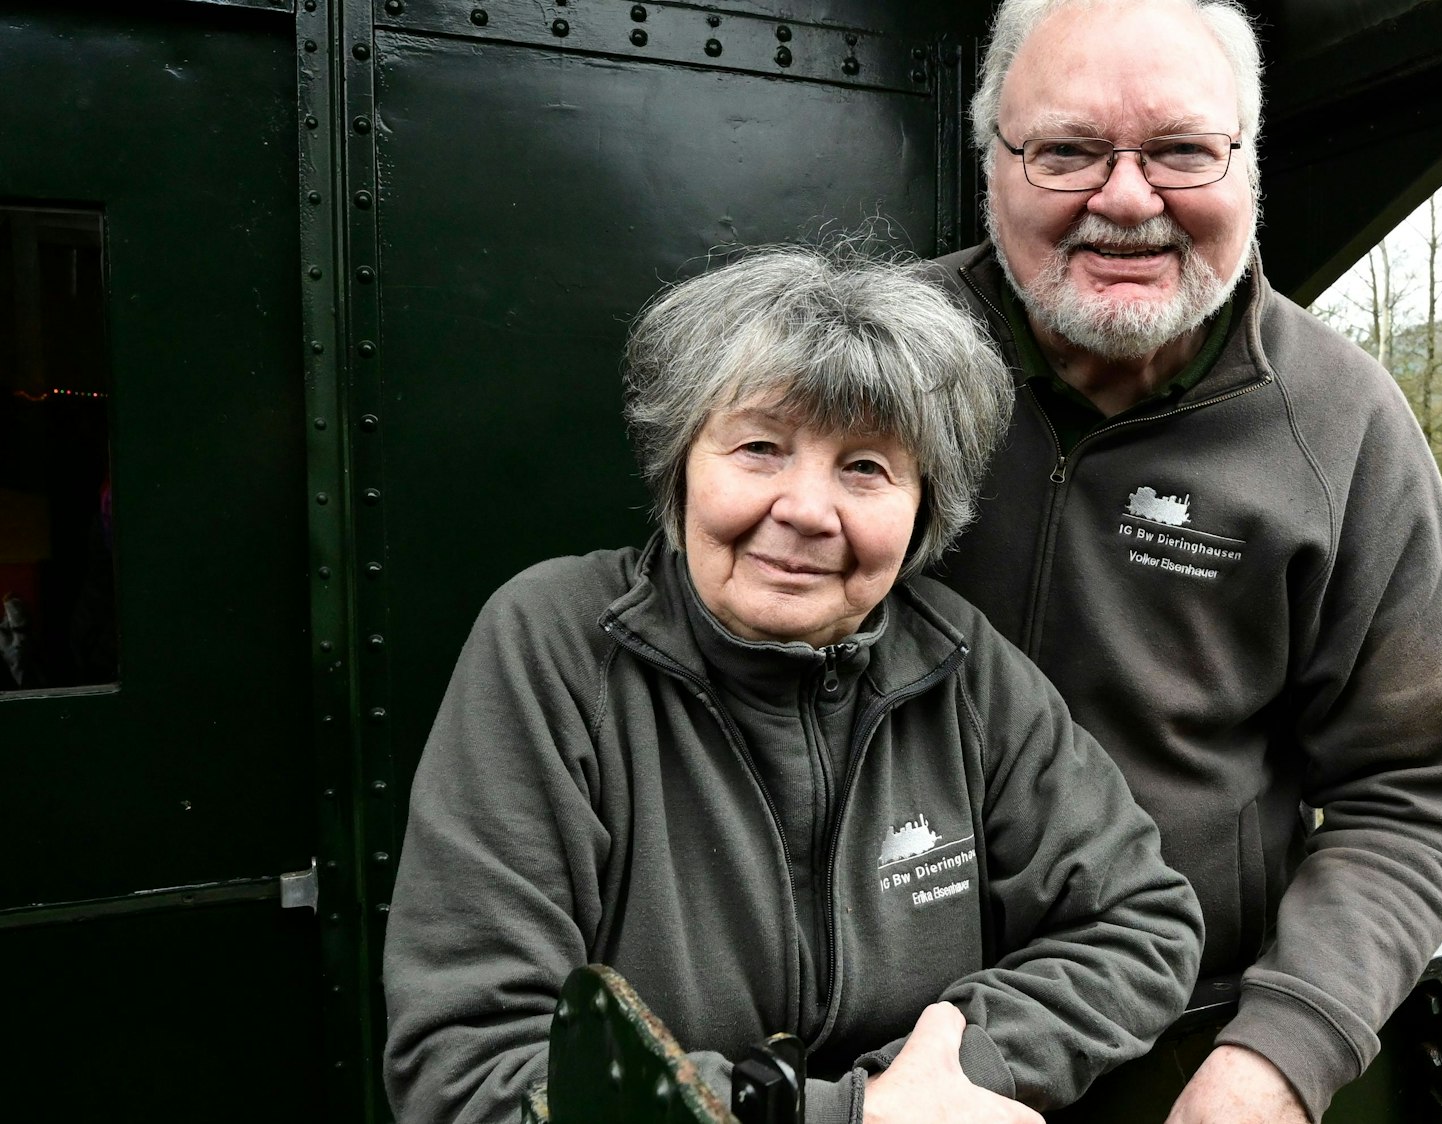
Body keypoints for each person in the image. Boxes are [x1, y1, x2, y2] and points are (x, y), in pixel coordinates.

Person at [381, 246, 1203, 1124]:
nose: (807, 510)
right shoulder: (556, 645)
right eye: (760, 447)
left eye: (866, 467)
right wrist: (841, 1118)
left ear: (923, 506)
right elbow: (469, 1064)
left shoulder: (960, 661)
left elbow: (1139, 922)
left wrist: (955, 1066)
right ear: (682, 465)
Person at [926, 2, 1442, 1121]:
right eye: (1066, 149)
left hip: (1177, 1048)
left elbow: (1417, 789)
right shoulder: (880, 368)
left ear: (1247, 163)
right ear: (993, 162)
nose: (1128, 198)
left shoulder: (1339, 421)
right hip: (886, 1048)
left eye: (1181, 150)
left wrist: (1280, 1054)